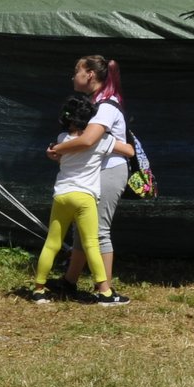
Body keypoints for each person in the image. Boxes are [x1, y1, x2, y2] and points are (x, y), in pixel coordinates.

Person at [53, 55, 134, 305]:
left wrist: (58, 148)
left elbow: (88, 140)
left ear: (90, 74)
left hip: (109, 172)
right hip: (95, 171)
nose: (72, 75)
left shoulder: (106, 106)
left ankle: (105, 291)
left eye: (77, 70)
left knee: (99, 231)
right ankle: (69, 281)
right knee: (82, 230)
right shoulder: (93, 103)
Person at [27, 94, 120, 305]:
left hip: (62, 195)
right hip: (85, 197)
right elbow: (128, 151)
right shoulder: (102, 140)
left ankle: (39, 289)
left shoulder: (61, 140)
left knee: (52, 243)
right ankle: (104, 292)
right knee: (91, 244)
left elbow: (59, 153)